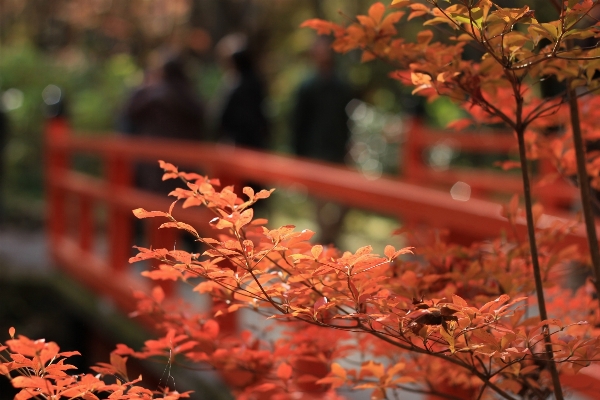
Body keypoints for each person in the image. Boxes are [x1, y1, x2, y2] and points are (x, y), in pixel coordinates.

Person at [291, 37, 355, 245]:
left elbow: (348, 120)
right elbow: (298, 123)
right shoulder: (306, 87)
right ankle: (325, 240)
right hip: (314, 152)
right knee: (318, 202)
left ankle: (329, 237)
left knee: (345, 200)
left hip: (338, 151)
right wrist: (298, 155)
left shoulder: (342, 86)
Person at [121, 55, 205, 193]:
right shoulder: (191, 95)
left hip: (155, 162)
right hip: (187, 162)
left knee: (155, 201)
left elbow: (130, 114)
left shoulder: (152, 95)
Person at [216, 33, 269, 150]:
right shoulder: (258, 82)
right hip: (256, 142)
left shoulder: (234, 84)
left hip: (237, 142)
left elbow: (220, 115)